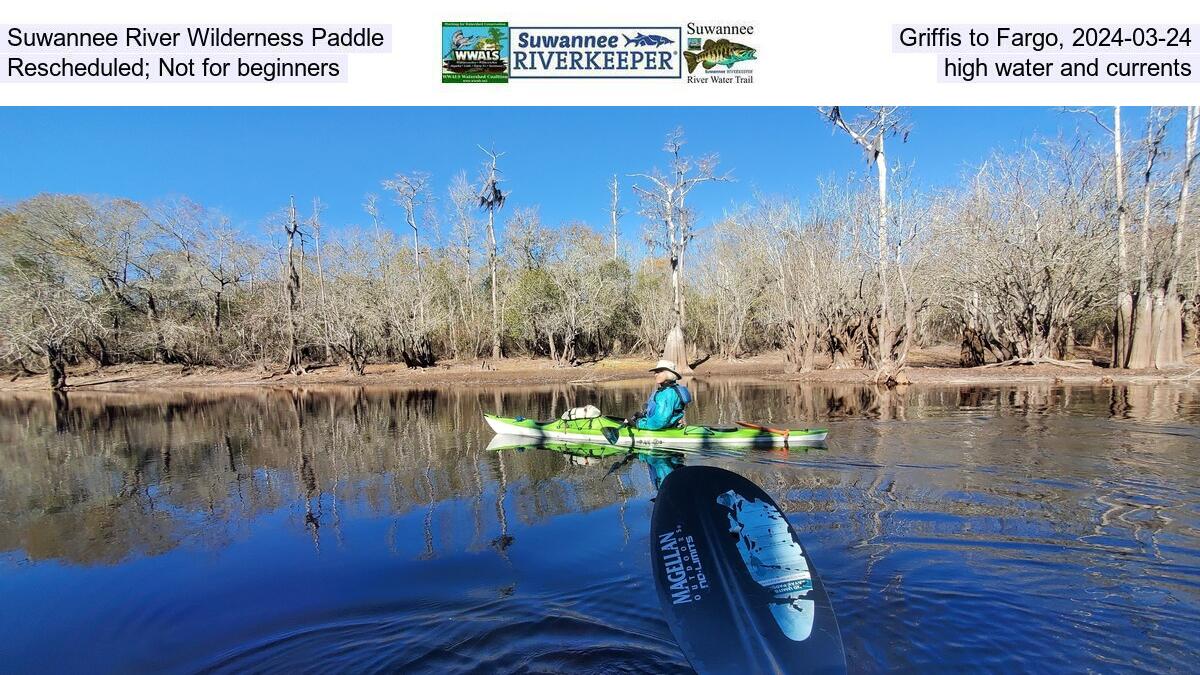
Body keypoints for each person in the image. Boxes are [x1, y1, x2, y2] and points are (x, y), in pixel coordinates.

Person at [628, 359, 692, 431]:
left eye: (659, 372)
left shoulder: (668, 393)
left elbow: (659, 422)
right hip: (666, 425)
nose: (655, 374)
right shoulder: (666, 390)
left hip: (661, 426)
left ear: (669, 374)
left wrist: (638, 424)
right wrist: (645, 413)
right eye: (655, 372)